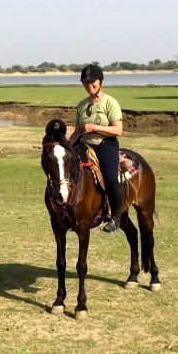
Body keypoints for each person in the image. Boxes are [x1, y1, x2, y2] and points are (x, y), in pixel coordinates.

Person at [68, 64, 123, 233]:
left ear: (100, 82)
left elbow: (118, 130)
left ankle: (115, 217)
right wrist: (67, 146)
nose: (89, 85)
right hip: (84, 145)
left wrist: (95, 128)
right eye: (85, 82)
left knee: (111, 179)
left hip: (105, 145)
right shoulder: (82, 105)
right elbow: (78, 131)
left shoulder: (110, 102)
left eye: (92, 81)